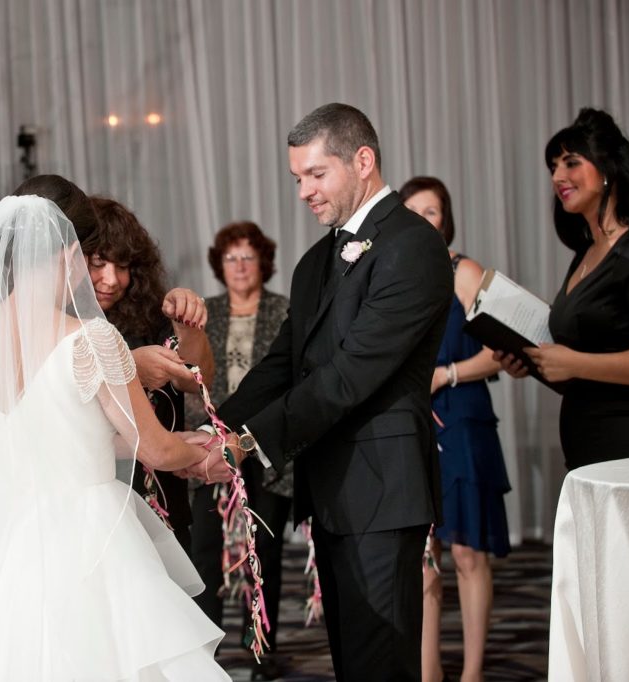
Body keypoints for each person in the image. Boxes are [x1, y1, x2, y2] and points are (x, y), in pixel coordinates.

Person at [0, 192, 230, 680]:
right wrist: (225, 451)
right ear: (69, 251)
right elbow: (155, 448)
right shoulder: (90, 338)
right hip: (88, 536)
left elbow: (45, 434)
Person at [184, 103, 453, 680]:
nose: (304, 190)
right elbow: (283, 363)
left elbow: (350, 375)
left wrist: (246, 444)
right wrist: (214, 428)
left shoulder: (412, 245)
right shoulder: (315, 262)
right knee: (352, 657)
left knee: (381, 659)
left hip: (383, 489)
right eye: (296, 178)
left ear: (363, 160)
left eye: (316, 174)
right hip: (331, 489)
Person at [497, 108, 629, 469]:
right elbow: (585, 360)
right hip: (590, 447)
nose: (558, 176)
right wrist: (531, 360)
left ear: (606, 170)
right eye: (553, 167)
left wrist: (575, 363)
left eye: (571, 163)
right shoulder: (584, 257)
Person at [401, 177, 511, 682]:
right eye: (414, 211)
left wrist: (445, 375)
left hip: (463, 419)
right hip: (415, 426)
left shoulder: (461, 270)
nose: (425, 220)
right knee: (425, 561)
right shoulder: (396, 275)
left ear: (446, 220)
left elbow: (506, 347)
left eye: (433, 211)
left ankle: (472, 674)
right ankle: (430, 674)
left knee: (467, 551)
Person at [187, 221, 291, 680]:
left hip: (265, 449)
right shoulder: (204, 313)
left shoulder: (284, 310)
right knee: (204, 550)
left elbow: (289, 381)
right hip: (211, 447)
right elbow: (189, 381)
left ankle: (260, 648)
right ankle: (204, 646)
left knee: (263, 552)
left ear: (263, 263)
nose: (241, 266)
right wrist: (206, 434)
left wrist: (251, 436)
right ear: (220, 265)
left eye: (248, 257)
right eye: (231, 258)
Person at [88, 195, 213, 552]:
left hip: (160, 494)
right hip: (92, 501)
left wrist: (187, 325)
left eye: (123, 265)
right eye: (97, 263)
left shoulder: (151, 316)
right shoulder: (54, 325)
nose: (111, 279)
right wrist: (129, 367)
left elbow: (195, 379)